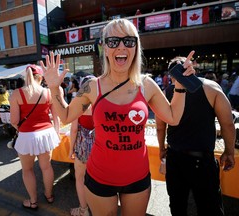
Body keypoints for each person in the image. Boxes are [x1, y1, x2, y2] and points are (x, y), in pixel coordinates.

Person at [41, 18, 195, 215]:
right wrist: (54, 87)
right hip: (100, 177)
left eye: (128, 41)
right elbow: (65, 115)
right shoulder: (92, 86)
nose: (121, 46)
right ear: (105, 48)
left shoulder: (146, 85)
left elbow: (173, 118)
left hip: (137, 177)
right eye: (113, 41)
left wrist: (180, 88)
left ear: (136, 47)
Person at [156, 56, 235, 216]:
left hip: (175, 158)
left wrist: (161, 149)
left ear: (172, 75)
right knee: (210, 208)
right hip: (202, 160)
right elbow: (227, 123)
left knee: (178, 207)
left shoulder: (167, 91)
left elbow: (160, 126)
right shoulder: (212, 88)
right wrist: (229, 151)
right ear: (191, 69)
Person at [9, 65, 60, 210]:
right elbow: (56, 118)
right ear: (41, 77)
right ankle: (49, 195)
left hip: (26, 135)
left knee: (27, 170)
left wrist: (23, 130)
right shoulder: (48, 92)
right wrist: (56, 133)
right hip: (46, 134)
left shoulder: (17, 93)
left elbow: (13, 121)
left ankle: (33, 201)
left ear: (26, 76)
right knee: (46, 167)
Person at [69, 76, 95, 216]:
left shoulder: (77, 104)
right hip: (100, 147)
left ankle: (83, 210)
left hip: (83, 147)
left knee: (80, 178)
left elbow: (74, 130)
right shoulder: (102, 103)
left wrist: (70, 149)